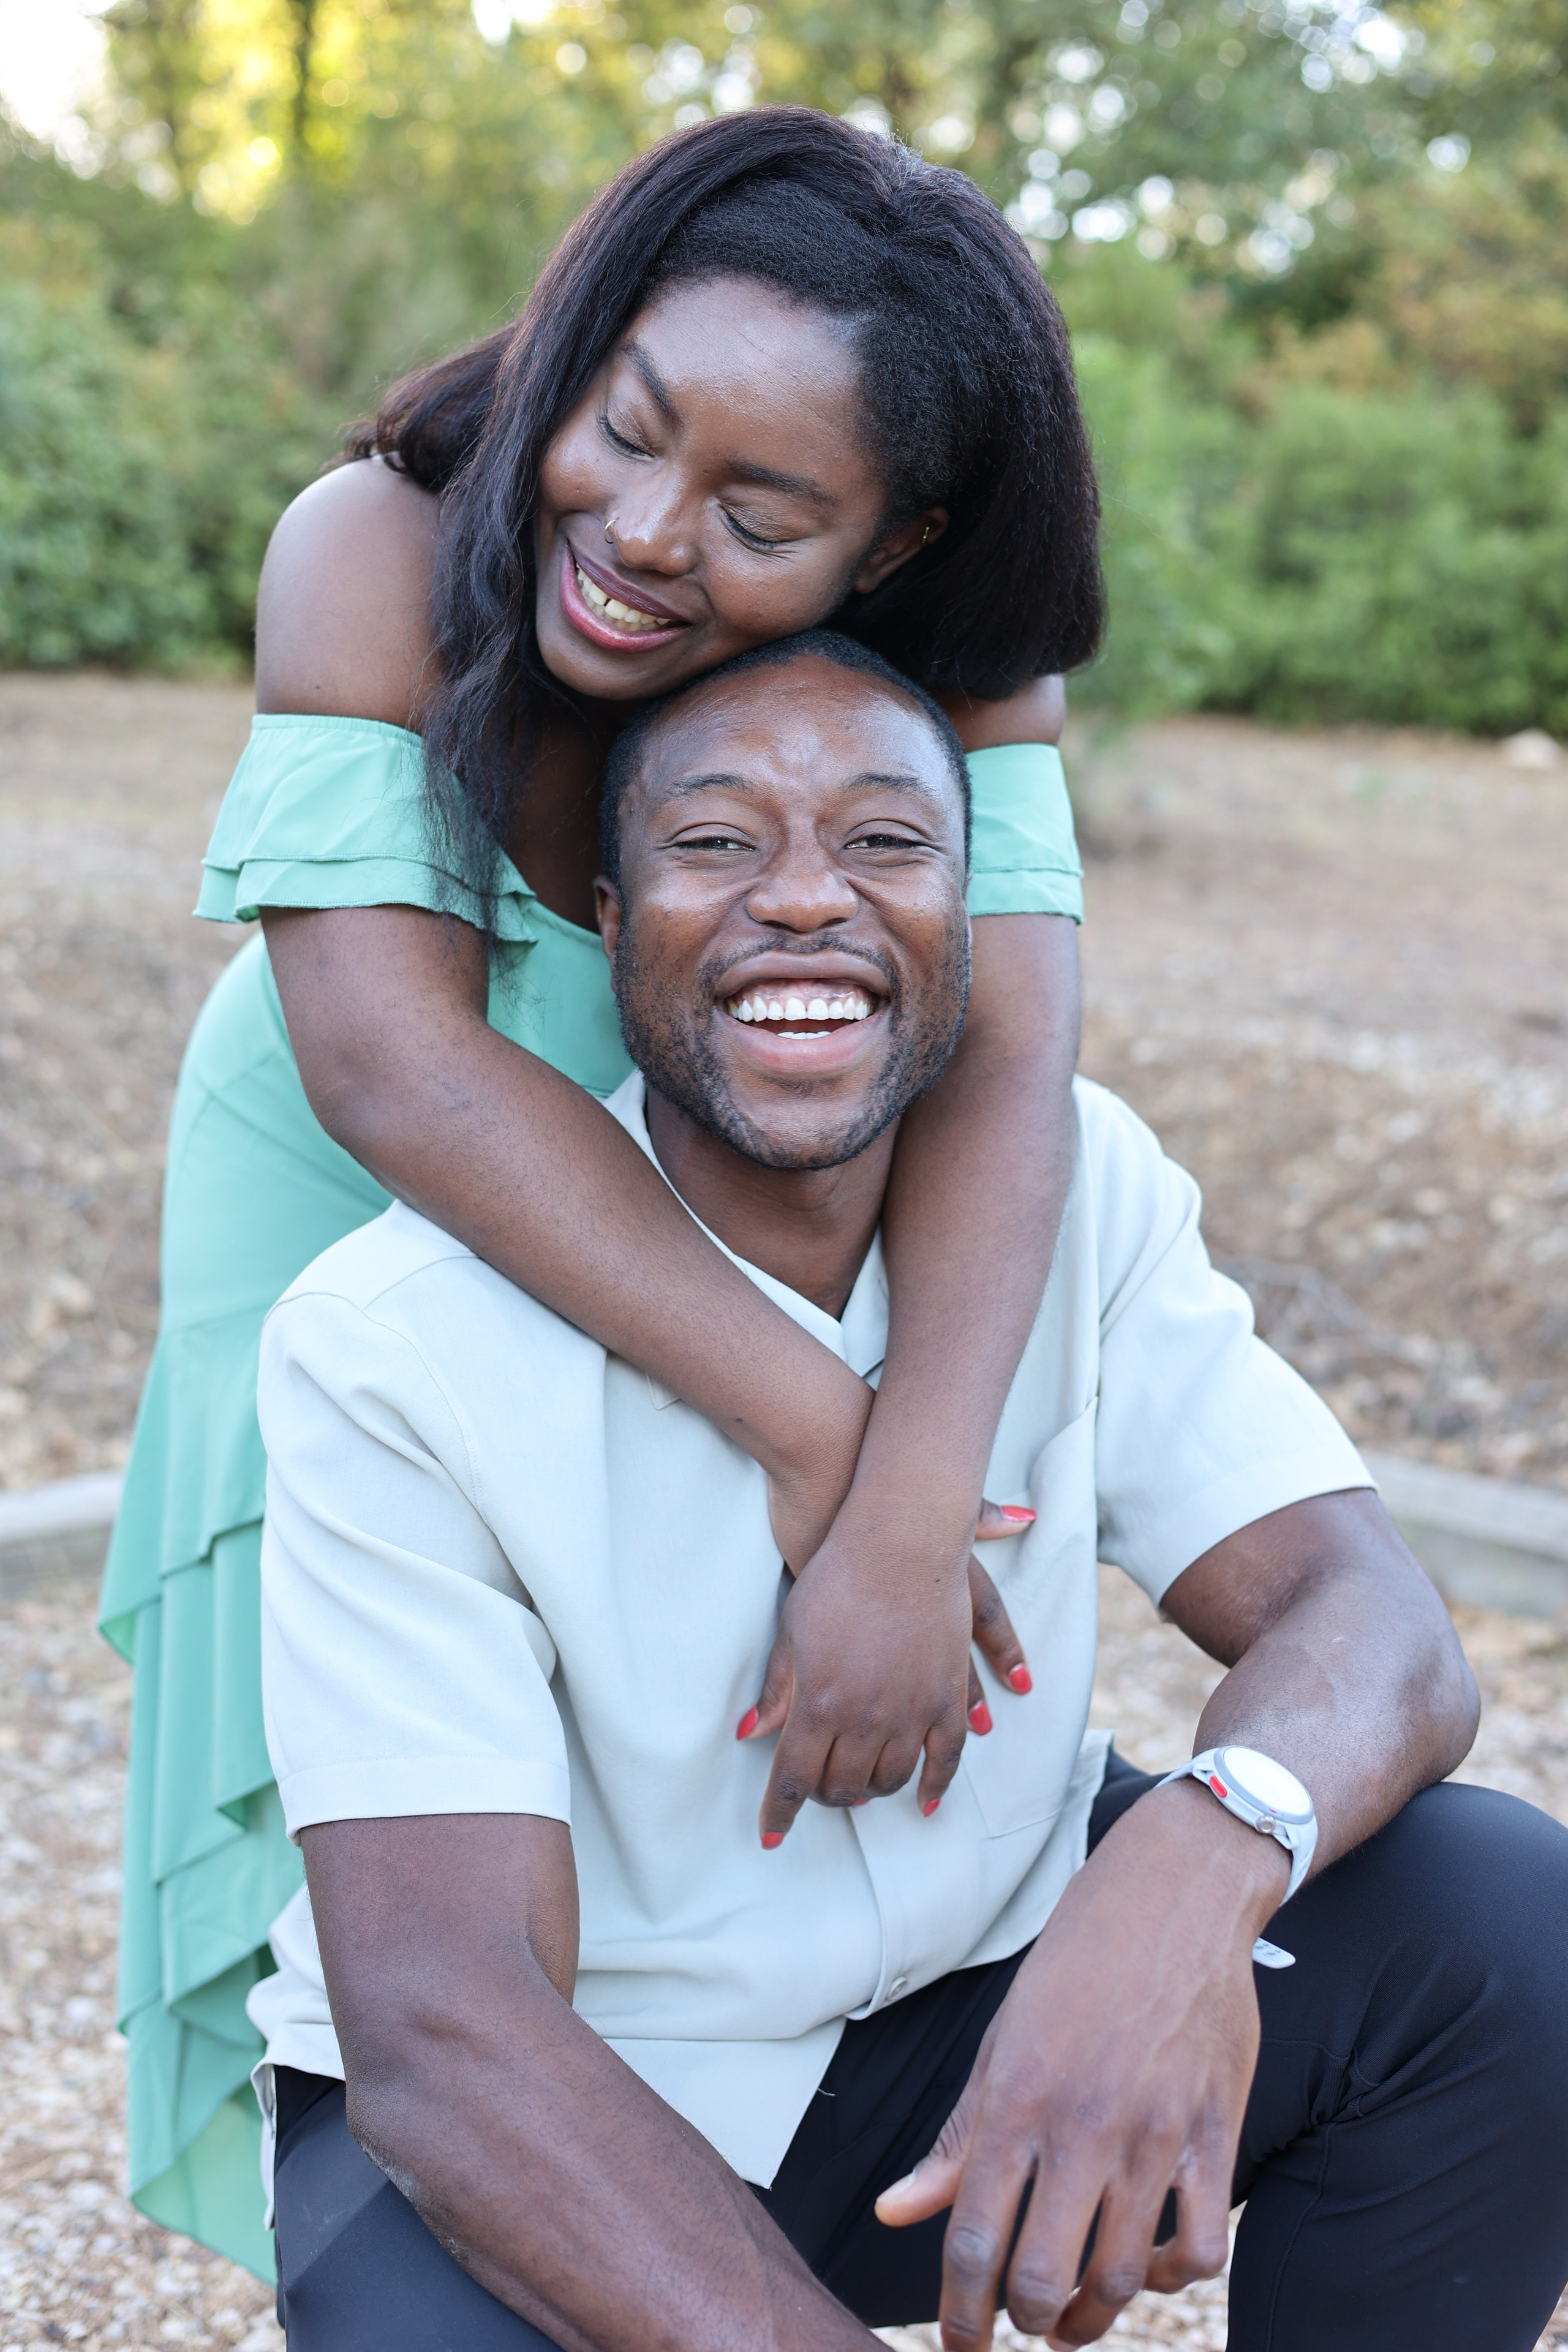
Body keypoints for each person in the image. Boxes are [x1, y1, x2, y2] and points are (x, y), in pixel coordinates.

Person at [253, 633, 1568, 2352]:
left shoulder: (1080, 1186)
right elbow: (449, 2032)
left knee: (1501, 1929)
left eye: (887, 843)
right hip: (551, 2115)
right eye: (715, 843)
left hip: (965, 2032)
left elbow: (1379, 1627)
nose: (808, 900)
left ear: (973, 907)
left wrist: (1199, 1860)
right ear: (602, 908)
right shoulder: (389, 1345)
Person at [99, 110, 1104, 2267]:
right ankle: (445, 2253)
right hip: (359, 1158)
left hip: (733, 1139)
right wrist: (856, 1445)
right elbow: (395, 1060)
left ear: (897, 539)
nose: (642, 532)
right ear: (575, 343)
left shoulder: (968, 647)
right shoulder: (374, 544)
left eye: (756, 513)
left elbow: (1014, 1052)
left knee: (693, 1722)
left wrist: (922, 1505)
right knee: (413, 1833)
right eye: (625, 427)